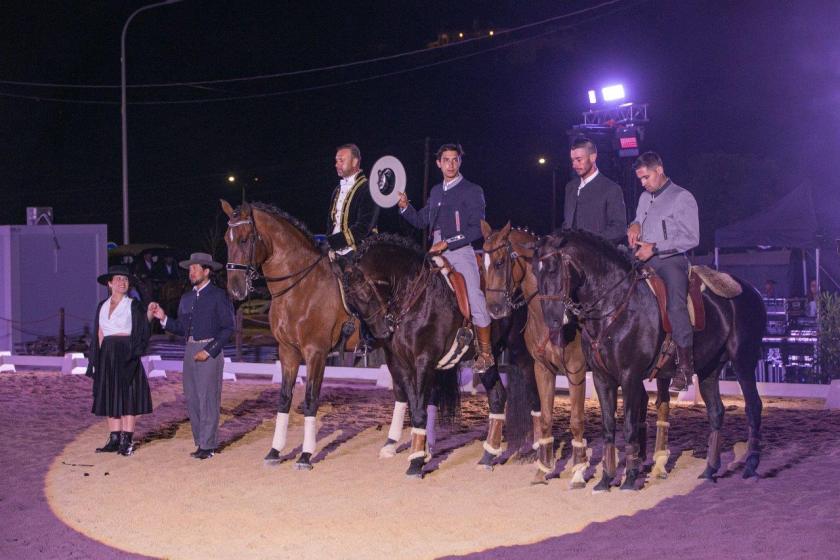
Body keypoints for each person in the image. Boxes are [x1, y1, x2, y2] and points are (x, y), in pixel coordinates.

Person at [397, 143, 494, 373]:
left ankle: (486, 352)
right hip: (434, 249)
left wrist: (448, 243)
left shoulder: (472, 190)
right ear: (438, 163)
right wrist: (405, 207)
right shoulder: (436, 191)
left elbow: (477, 229)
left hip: (460, 249)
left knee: (474, 293)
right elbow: (421, 221)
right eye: (446, 160)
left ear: (460, 161)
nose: (450, 164)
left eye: (454, 160)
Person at [149, 253, 234, 460]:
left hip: (209, 349)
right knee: (193, 398)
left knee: (208, 398)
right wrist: (164, 318)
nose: (191, 272)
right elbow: (181, 327)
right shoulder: (186, 298)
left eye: (195, 269)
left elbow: (228, 328)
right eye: (190, 269)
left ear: (207, 271)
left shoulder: (218, 296)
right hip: (189, 350)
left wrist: (210, 350)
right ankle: (200, 442)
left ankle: (209, 444)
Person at [627, 151, 699, 391]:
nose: (643, 183)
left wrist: (655, 248)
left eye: (646, 178)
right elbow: (639, 218)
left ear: (659, 170)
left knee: (675, 305)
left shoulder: (682, 197)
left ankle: (685, 368)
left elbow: (691, 237)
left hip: (671, 260)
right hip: (642, 256)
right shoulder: (644, 198)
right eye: (640, 179)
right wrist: (634, 225)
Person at [85, 265, 154, 456]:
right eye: (118, 279)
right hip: (107, 353)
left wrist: (149, 313)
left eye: (125, 280)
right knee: (110, 393)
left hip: (126, 353)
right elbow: (100, 332)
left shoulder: (133, 304)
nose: (122, 283)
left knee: (127, 396)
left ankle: (127, 440)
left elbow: (142, 327)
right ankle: (114, 438)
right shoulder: (102, 305)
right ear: (109, 283)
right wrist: (97, 359)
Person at [562, 137, 627, 243]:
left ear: (593, 157)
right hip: (571, 255)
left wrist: (591, 243)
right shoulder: (570, 187)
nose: (574, 165)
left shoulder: (611, 188)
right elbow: (567, 224)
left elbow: (619, 229)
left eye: (579, 160)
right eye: (572, 160)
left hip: (597, 256)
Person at [326, 143, 379, 268]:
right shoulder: (337, 190)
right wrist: (329, 246)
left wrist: (333, 242)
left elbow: (363, 228)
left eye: (341, 160)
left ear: (355, 162)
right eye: (336, 161)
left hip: (358, 253)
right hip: (333, 252)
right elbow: (330, 223)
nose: (336, 164)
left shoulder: (369, 188)